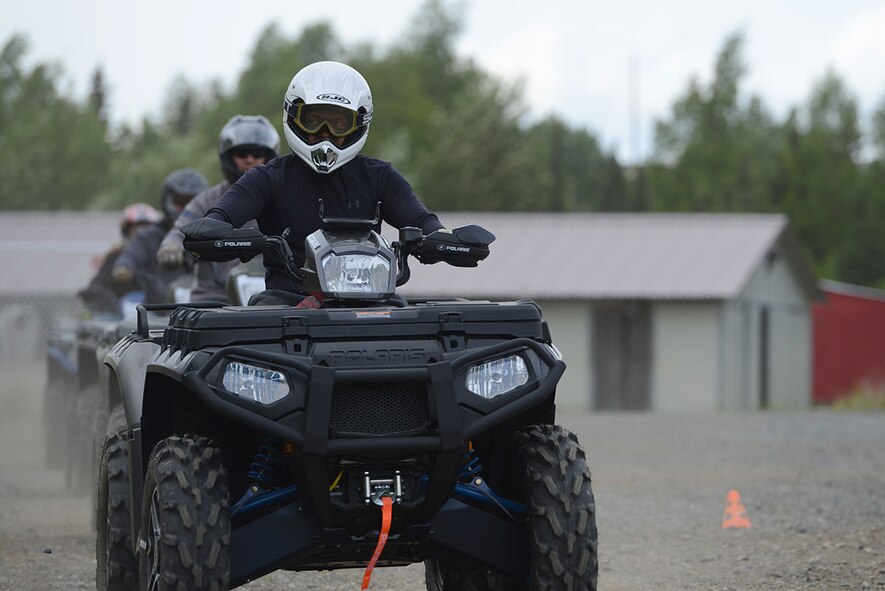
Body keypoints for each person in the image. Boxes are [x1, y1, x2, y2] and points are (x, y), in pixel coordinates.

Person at [187, 61, 447, 305]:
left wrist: (445, 239)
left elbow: (423, 222)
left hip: (372, 302)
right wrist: (212, 232)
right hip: (284, 306)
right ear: (294, 116)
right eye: (312, 121)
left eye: (338, 124)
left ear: (357, 125)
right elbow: (219, 217)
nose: (325, 133)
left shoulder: (380, 176)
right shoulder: (267, 177)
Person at [155, 115, 280, 302]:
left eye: (257, 152)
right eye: (242, 153)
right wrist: (171, 247)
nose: (249, 159)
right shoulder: (207, 199)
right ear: (228, 156)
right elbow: (180, 229)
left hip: (272, 294)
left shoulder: (283, 195)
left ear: (270, 155)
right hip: (213, 298)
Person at [112, 168, 208, 303]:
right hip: (157, 308)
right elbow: (130, 256)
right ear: (167, 200)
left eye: (195, 202)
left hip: (204, 304)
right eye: (181, 201)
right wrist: (124, 269)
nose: (188, 207)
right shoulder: (149, 236)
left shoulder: (212, 235)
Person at [78, 203, 163, 316]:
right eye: (138, 230)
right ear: (127, 232)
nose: (142, 235)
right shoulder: (115, 257)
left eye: (147, 230)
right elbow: (98, 285)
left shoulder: (163, 258)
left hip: (158, 312)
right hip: (119, 316)